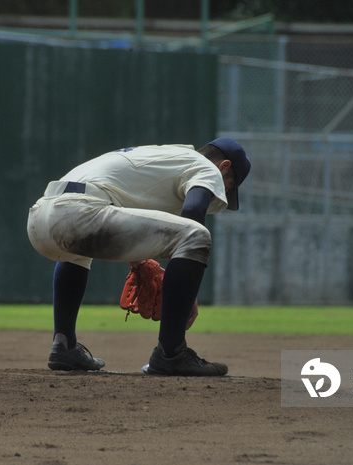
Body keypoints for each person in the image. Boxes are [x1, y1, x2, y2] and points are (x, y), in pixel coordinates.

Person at [26, 138, 250, 376]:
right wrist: (188, 295)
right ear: (224, 166)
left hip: (41, 219)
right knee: (196, 235)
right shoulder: (205, 167)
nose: (224, 190)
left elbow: (122, 200)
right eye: (230, 183)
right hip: (80, 212)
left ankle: (64, 345)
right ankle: (172, 353)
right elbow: (193, 211)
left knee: (76, 252)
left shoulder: (165, 156)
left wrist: (139, 259)